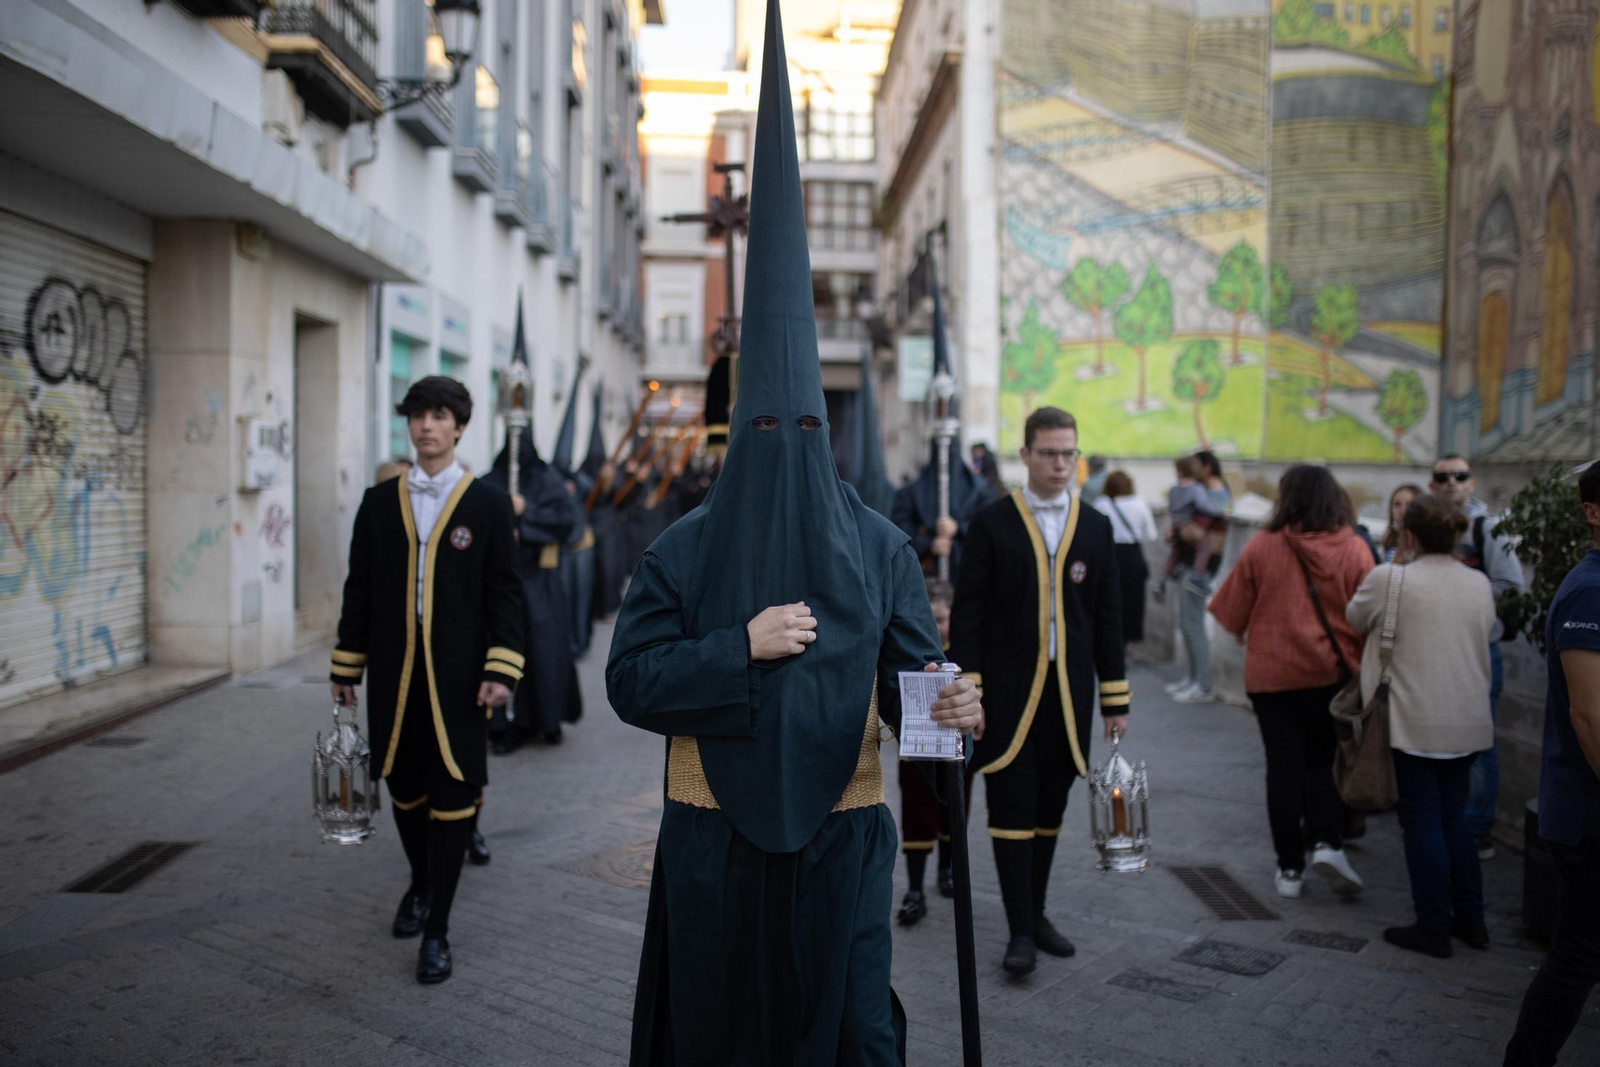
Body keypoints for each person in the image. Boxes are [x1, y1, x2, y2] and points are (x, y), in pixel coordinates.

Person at [605, 4, 983, 1058]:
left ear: (827, 431)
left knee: (848, 1028)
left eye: (803, 426)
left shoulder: (878, 546)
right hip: (710, 838)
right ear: (737, 435)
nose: (786, 444)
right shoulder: (681, 550)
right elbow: (629, 682)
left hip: (846, 834)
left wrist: (955, 707)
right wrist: (739, 646)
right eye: (764, 426)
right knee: (720, 1030)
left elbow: (920, 701)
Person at [329, 376, 524, 984]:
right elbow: (358, 588)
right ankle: (419, 881)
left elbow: (505, 595)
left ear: (460, 426)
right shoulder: (377, 502)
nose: (427, 425)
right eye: (417, 415)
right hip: (393, 676)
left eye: (439, 415)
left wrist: (502, 669)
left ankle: (437, 927)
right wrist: (346, 666)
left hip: (461, 682)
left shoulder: (487, 504)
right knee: (405, 791)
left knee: (454, 793)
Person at [950, 406, 1129, 977]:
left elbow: (1108, 618)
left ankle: (1039, 913)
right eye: (1049, 453)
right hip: (1006, 695)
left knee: (1050, 809)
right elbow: (969, 614)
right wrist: (971, 689)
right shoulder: (991, 522)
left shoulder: (1097, 527)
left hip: (1070, 697)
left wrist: (1115, 700)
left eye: (1069, 453)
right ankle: (1020, 931)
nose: (1060, 464)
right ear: (1025, 454)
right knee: (1010, 808)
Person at [1209, 464, 1372, 901]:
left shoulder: (1262, 547)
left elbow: (1229, 613)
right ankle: (1328, 843)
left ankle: (1289, 870)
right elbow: (1369, 619)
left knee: (1282, 768)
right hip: (1331, 676)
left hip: (1271, 677)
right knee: (1323, 763)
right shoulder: (1354, 549)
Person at [1347, 496, 1494, 958]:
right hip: (1466, 717)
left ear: (1407, 535)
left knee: (1423, 820)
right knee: (1454, 818)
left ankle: (1432, 924)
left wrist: (1397, 561)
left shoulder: (1391, 578)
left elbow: (1354, 618)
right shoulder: (1478, 582)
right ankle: (1471, 920)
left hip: (1412, 720)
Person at [1503, 460, 1600, 1067]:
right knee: (1577, 958)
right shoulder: (1590, 589)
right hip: (1590, 817)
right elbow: (1591, 716)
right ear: (1592, 512)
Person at [1430, 454, 1527, 859]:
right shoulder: (1428, 525)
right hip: (1436, 650)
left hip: (1478, 649)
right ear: (1434, 484)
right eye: (1443, 476)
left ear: (1472, 483)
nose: (1452, 481)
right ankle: (1448, 823)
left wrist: (1461, 598)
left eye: (1460, 475)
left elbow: (1509, 585)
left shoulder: (1489, 528)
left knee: (1480, 744)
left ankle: (1478, 832)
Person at [484, 424, 583, 751]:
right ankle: (502, 724)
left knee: (544, 652)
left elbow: (566, 524)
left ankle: (547, 719)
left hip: (540, 581)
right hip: (500, 580)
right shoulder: (490, 481)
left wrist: (525, 514)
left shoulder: (548, 481)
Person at [895, 577, 975, 925]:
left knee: (956, 805)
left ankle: (947, 869)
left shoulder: (966, 648)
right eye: (930, 619)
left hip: (955, 745)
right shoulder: (908, 649)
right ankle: (915, 889)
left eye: (942, 619)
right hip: (918, 747)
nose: (936, 627)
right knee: (917, 810)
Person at [1164, 454, 1228, 703]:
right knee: (1188, 624)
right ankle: (1194, 680)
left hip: (1199, 567)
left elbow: (1202, 527)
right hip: (1191, 564)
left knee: (1193, 625)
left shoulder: (1214, 494)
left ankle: (1202, 685)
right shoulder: (1205, 493)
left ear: (1206, 467)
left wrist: (1180, 531)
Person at [1094, 471, 1159, 651]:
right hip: (1132, 556)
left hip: (1110, 555)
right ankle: (1125, 644)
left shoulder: (1102, 504)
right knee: (1132, 602)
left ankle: (1108, 642)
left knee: (1108, 600)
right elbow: (1151, 535)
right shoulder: (1139, 504)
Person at [1380, 483, 1423, 563]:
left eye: (1409, 505)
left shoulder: (1426, 547)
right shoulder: (1386, 544)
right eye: (1397, 504)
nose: (1402, 511)